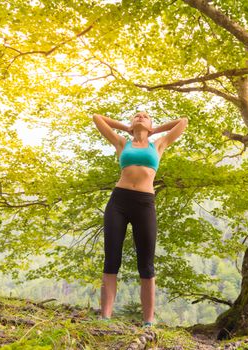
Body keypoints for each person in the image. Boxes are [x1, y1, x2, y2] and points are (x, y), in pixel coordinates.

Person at [92, 110, 188, 327]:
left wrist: (155, 129)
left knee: (146, 264)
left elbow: (183, 121)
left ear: (151, 124)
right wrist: (127, 128)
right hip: (119, 201)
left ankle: (148, 321)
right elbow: (98, 118)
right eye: (136, 115)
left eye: (145, 116)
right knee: (111, 260)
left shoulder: (158, 145)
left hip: (145, 204)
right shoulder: (122, 143)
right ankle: (105, 317)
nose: (140, 116)